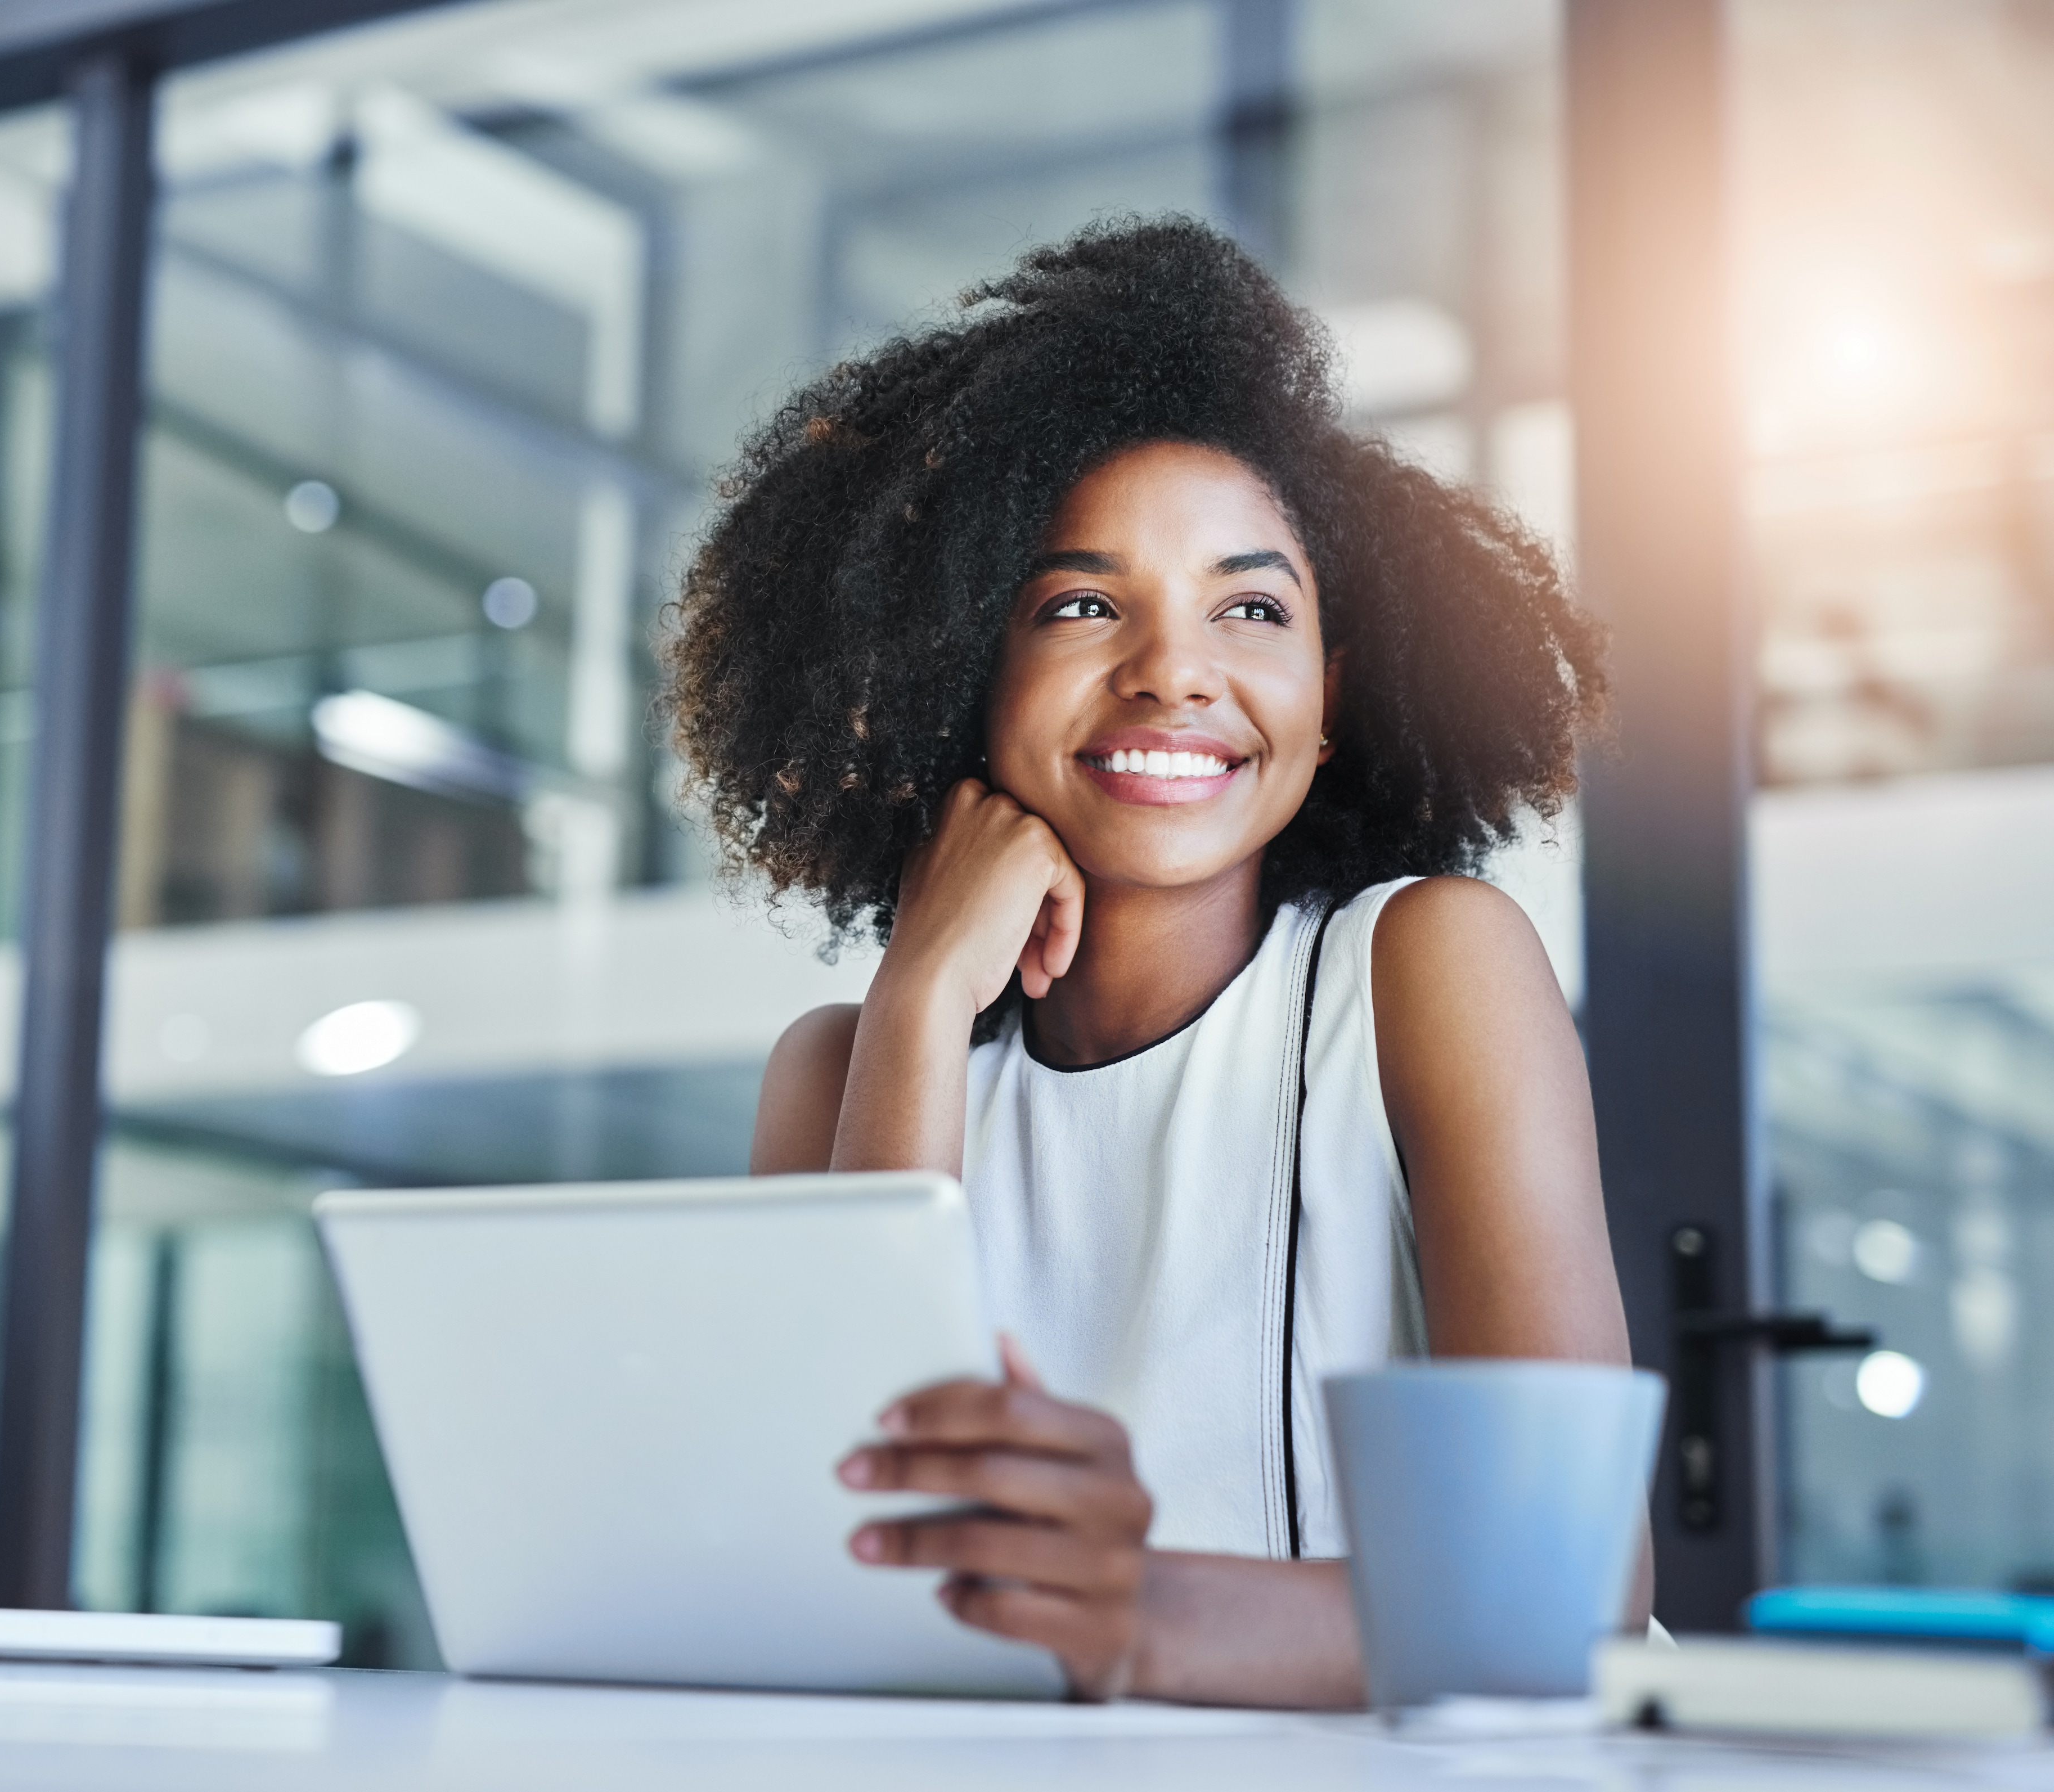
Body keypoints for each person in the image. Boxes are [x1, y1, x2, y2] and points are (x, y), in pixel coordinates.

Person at [664, 217, 1634, 1707]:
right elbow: (837, 1577)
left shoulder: (1423, 967)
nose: (1175, 669)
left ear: (1329, 691)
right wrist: (919, 1003)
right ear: (958, 670)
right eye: (1080, 604)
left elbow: (1574, 1590)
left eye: (1252, 606)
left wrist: (1138, 1615)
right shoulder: (838, 1071)